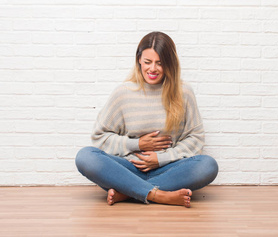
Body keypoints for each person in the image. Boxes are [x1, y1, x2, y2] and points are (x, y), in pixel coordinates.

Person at [75, 31, 218, 208]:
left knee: (208, 165)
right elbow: (100, 137)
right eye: (147, 62)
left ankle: (128, 193)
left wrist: (161, 158)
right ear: (139, 61)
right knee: (85, 157)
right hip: (128, 169)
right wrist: (138, 145)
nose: (152, 69)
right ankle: (160, 195)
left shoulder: (184, 92)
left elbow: (195, 137)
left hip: (169, 169)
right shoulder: (124, 92)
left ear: (170, 64)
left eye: (160, 63)